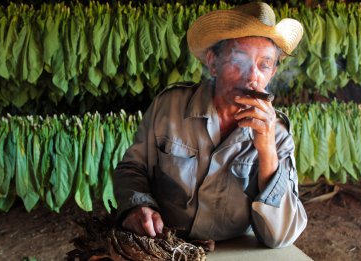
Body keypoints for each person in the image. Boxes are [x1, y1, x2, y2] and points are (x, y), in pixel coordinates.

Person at [114, 2, 307, 248]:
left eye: (264, 65)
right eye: (240, 61)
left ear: (272, 73)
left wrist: (268, 151)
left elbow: (279, 236)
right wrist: (138, 205)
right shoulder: (169, 106)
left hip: (233, 250)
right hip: (164, 245)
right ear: (213, 63)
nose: (252, 76)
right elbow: (132, 168)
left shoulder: (277, 133)